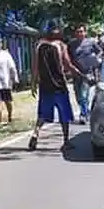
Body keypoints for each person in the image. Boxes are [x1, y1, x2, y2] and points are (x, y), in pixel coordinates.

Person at [29, 22, 79, 151]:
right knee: (64, 114)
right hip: (59, 85)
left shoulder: (39, 45)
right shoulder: (61, 45)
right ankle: (66, 141)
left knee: (42, 113)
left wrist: (33, 83)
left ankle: (35, 134)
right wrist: (80, 74)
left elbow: (34, 66)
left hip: (45, 86)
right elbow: (67, 64)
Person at [69, 24, 103, 124]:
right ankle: (86, 111)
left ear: (85, 32)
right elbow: (68, 57)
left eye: (81, 31)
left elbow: (100, 51)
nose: (80, 33)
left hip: (87, 73)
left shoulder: (91, 42)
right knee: (78, 96)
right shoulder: (71, 44)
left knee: (84, 95)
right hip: (76, 74)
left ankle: (83, 115)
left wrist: (95, 59)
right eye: (78, 32)